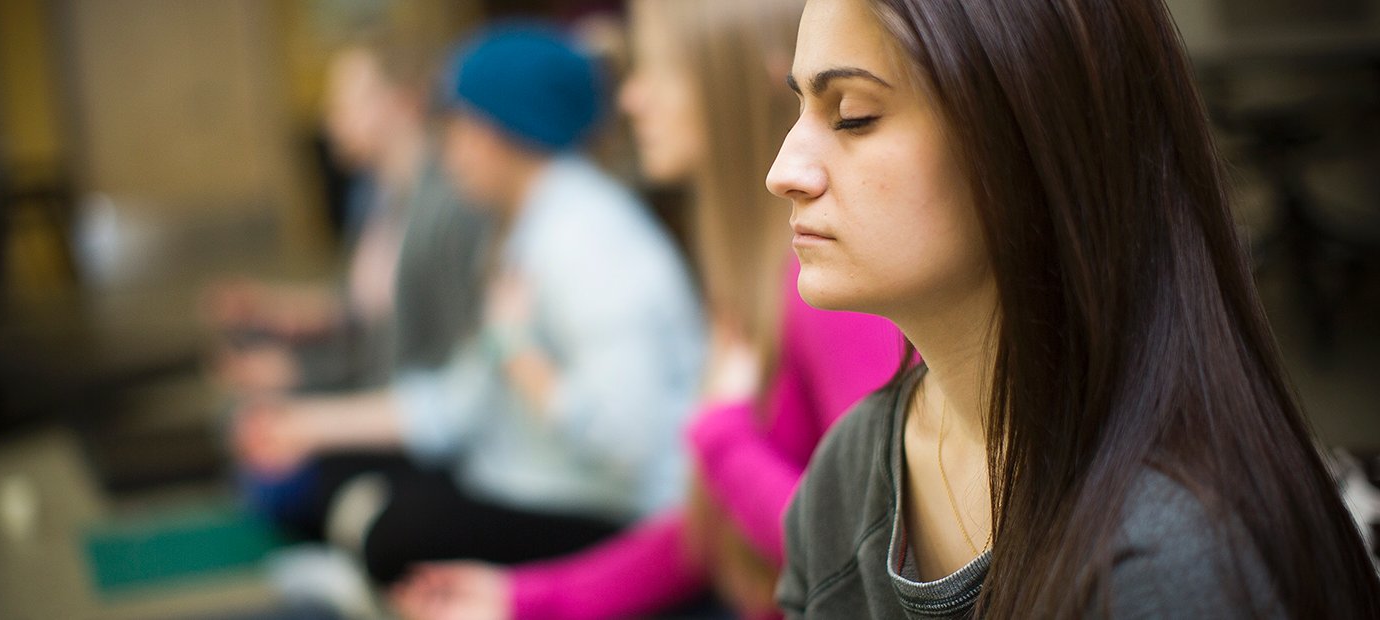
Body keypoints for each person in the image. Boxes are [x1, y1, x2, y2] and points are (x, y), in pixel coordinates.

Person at [768, 0, 1380, 617]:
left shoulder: (1166, 564)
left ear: (1028, 134)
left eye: (853, 115)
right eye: (798, 108)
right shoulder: (851, 472)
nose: (784, 171)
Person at [388, 2, 902, 619]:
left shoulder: (818, 286)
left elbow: (872, 550)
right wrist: (525, 598)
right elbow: (706, 529)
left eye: (658, 71)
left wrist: (723, 439)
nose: (630, 99)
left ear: (741, 83)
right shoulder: (749, 272)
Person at [234, 24, 707, 585]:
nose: (446, 149)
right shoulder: (522, 224)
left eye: (455, 127)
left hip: (615, 511)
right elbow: (464, 399)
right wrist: (308, 425)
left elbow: (630, 442)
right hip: (525, 474)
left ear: (503, 130)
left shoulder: (585, 240)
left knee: (389, 531)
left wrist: (519, 354)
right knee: (343, 486)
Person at [207, 37, 487, 395]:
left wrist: (299, 372)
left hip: (407, 400)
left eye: (346, 101)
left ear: (404, 101)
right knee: (244, 346)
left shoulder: (446, 205)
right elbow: (363, 308)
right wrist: (269, 307)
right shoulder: (375, 194)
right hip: (381, 381)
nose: (329, 115)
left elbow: (423, 353)